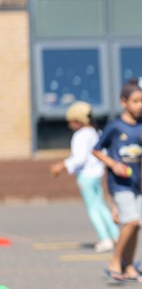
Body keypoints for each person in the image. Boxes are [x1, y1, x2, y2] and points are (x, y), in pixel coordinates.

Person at [93, 80, 142, 283]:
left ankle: (129, 268)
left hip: (137, 185)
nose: (140, 105)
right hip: (119, 184)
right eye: (135, 101)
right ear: (123, 102)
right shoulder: (115, 126)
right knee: (131, 221)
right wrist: (112, 164)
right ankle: (114, 262)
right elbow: (96, 149)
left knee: (136, 226)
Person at [50, 101, 119, 253]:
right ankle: (115, 235)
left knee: (93, 209)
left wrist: (61, 166)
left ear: (78, 120)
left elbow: (79, 158)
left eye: (71, 121)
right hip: (97, 173)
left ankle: (105, 238)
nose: (69, 125)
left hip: (86, 176)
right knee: (100, 206)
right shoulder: (95, 132)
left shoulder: (80, 135)